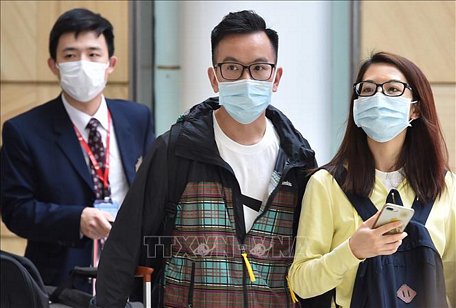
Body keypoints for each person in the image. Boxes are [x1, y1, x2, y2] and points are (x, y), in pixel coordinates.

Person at [94, 10, 317, 307]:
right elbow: (125, 243)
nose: (247, 78)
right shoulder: (176, 149)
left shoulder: (298, 159)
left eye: (259, 68)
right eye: (232, 68)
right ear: (214, 77)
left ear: (275, 77)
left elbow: (311, 259)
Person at [1, 8, 154, 292]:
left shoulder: (138, 118)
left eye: (93, 54)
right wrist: (76, 220)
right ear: (53, 64)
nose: (83, 64)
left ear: (111, 63)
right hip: (61, 281)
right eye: (70, 55)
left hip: (131, 274)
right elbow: (16, 210)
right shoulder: (24, 131)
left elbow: (152, 189)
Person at [289, 52, 455, 307]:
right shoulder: (327, 184)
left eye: (392, 89)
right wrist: (352, 251)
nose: (378, 98)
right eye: (367, 89)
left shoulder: (445, 185)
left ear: (415, 109)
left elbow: (451, 280)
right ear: (357, 106)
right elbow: (301, 282)